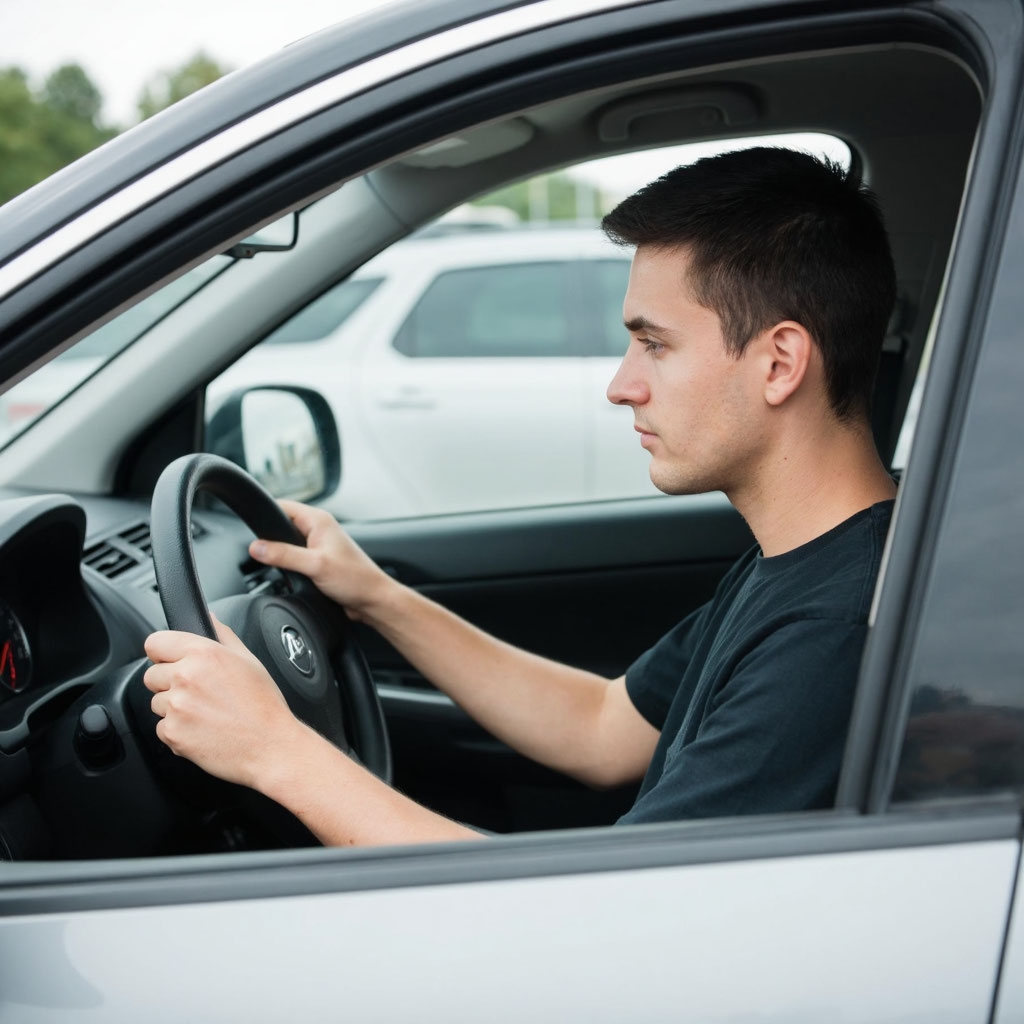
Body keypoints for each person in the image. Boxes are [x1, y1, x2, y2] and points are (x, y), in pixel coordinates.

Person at [143, 146, 898, 846]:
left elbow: (600, 923)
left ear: (779, 364)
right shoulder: (799, 564)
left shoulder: (832, 631)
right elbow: (603, 728)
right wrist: (375, 596)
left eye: (656, 344)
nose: (621, 385)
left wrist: (275, 752)